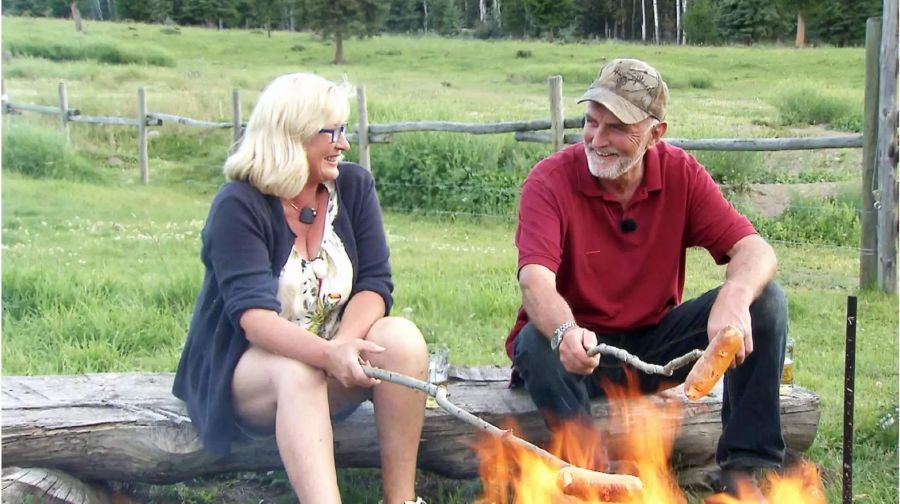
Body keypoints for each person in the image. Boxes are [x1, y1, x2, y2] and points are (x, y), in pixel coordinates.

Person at [506, 58, 787, 501]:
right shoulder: (550, 180)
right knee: (535, 344)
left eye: (616, 128)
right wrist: (565, 331)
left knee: (764, 301)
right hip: (577, 352)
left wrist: (734, 294)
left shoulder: (680, 173)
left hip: (654, 347)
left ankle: (745, 471)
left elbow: (755, 250)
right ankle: (593, 479)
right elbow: (535, 280)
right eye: (591, 122)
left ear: (656, 134)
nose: (597, 140)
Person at [173, 73, 428, 504]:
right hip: (249, 373)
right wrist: (327, 356)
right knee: (298, 371)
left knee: (401, 340)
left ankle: (400, 500)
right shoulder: (239, 204)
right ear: (292, 135)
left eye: (344, 131)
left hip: (332, 357)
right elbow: (254, 320)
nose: (343, 144)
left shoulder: (355, 186)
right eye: (332, 132)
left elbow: (375, 285)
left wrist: (344, 345)